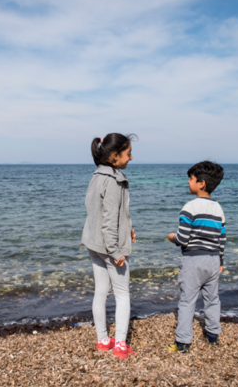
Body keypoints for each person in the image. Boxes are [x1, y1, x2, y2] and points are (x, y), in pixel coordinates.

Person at [81, 133, 137, 360]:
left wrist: (128, 227)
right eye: (128, 153)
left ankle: (103, 340)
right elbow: (109, 219)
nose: (131, 158)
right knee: (122, 293)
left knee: (101, 291)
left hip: (93, 243)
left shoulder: (96, 176)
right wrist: (115, 251)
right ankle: (121, 345)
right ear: (115, 156)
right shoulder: (114, 180)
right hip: (108, 246)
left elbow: (104, 212)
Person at [166, 161, 226, 354]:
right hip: (213, 259)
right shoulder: (218, 208)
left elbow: (183, 238)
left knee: (187, 300)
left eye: (191, 179)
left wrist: (171, 238)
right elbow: (221, 238)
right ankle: (213, 336)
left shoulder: (189, 207)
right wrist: (221, 261)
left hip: (193, 260)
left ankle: (183, 342)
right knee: (212, 299)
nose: (187, 182)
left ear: (201, 183)